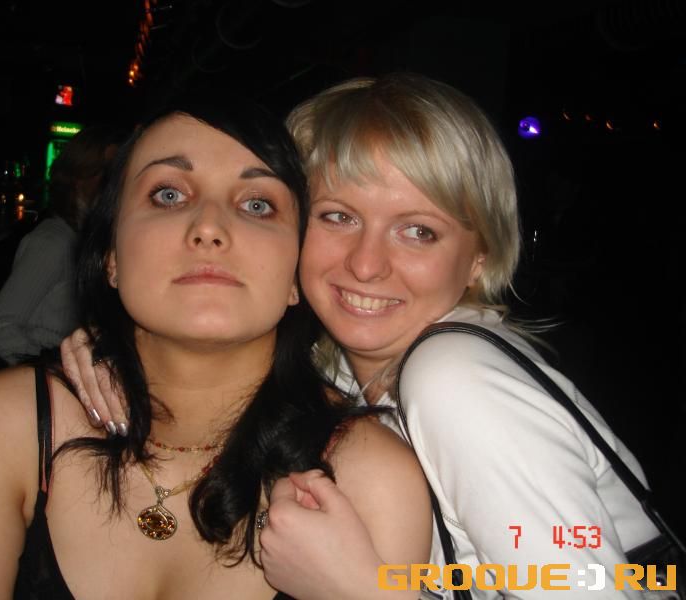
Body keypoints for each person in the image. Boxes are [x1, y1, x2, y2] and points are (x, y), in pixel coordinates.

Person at [60, 73, 661, 599]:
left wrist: (362, 591)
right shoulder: (342, 365)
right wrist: (123, 348)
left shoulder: (455, 381)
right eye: (339, 216)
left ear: (479, 257)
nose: (366, 265)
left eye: (418, 231)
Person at [0, 92, 431, 599]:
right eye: (169, 195)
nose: (209, 228)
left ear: (296, 275)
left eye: (257, 204)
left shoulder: (371, 478)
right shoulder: (4, 426)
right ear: (111, 255)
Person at [0, 124, 124, 364]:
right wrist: (55, 370)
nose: (116, 185)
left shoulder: (87, 243)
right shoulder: (52, 242)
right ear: (78, 177)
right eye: (107, 173)